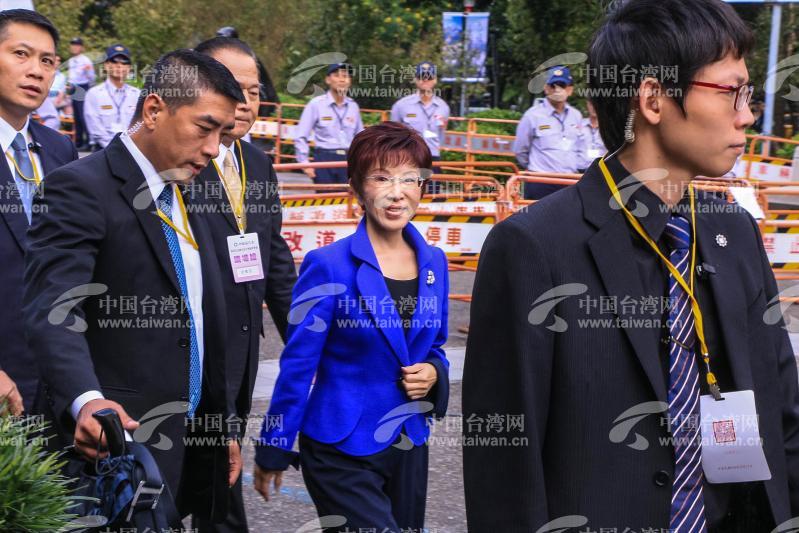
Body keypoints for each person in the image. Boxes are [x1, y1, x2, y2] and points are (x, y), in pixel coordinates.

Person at [463, 0, 799, 531]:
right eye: (731, 91)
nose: (747, 114)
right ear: (653, 98)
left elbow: (782, 414)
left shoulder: (733, 233)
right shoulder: (533, 247)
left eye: (749, 94)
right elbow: (504, 465)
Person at [23, 49, 245, 523]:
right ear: (154, 110)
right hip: (113, 452)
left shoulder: (192, 191)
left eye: (223, 134)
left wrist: (218, 425)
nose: (214, 148)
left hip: (187, 444)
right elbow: (54, 308)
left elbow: (201, 317)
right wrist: (87, 400)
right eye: (204, 128)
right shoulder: (80, 187)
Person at [253, 122, 450, 532]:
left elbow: (436, 346)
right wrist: (274, 445)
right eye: (381, 178)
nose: (397, 192)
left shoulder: (435, 262)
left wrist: (434, 373)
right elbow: (298, 365)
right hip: (340, 447)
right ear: (356, 189)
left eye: (410, 178)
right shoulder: (327, 264)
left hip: (408, 440)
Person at [192, 35, 297, 533]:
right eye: (232, 88)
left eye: (254, 92)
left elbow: (275, 260)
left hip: (240, 347)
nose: (245, 104)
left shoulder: (257, 165)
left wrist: (305, 339)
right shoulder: (177, 163)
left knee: (223, 465)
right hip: (184, 348)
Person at [0, 9, 78, 416]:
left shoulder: (59, 149)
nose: (36, 71)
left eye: (47, 61)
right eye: (21, 54)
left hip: (57, 382)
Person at [512, 65, 584, 199]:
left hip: (570, 182)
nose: (557, 90)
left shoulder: (576, 116)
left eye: (562, 85)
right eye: (553, 85)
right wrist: (537, 168)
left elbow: (579, 147)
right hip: (540, 182)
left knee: (567, 220)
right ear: (545, 88)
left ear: (570, 90)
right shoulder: (532, 116)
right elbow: (520, 150)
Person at [293, 63, 364, 184]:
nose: (342, 79)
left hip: (347, 160)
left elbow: (361, 138)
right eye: (337, 75)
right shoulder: (316, 105)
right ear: (328, 79)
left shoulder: (353, 106)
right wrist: (304, 163)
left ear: (350, 81)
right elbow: (301, 136)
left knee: (347, 200)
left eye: (345, 76)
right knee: (325, 200)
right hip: (324, 160)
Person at [390, 61, 450, 162]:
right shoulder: (401, 105)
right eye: (422, 76)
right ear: (415, 80)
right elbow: (391, 135)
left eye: (429, 77)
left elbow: (441, 133)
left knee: (434, 178)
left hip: (433, 158)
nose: (425, 80)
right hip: (408, 158)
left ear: (435, 80)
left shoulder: (443, 107)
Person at [83, 43, 139, 150]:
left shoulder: (136, 95)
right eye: (114, 61)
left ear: (129, 68)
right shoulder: (94, 94)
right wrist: (116, 149)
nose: (119, 65)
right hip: (103, 151)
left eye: (124, 62)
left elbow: (140, 125)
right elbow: (96, 129)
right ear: (106, 65)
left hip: (132, 150)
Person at [66, 36, 95, 149]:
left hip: (83, 87)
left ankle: (88, 141)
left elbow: (91, 77)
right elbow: (71, 77)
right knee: (76, 116)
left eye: (77, 45)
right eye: (72, 45)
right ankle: (78, 141)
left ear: (81, 48)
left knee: (83, 115)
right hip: (73, 87)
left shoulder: (85, 60)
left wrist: (87, 71)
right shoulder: (71, 61)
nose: (74, 47)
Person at [577, 98, 607, 171]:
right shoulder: (578, 125)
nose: (594, 107)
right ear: (587, 104)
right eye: (591, 104)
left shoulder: (609, 129)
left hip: (601, 172)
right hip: (578, 171)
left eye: (598, 104)